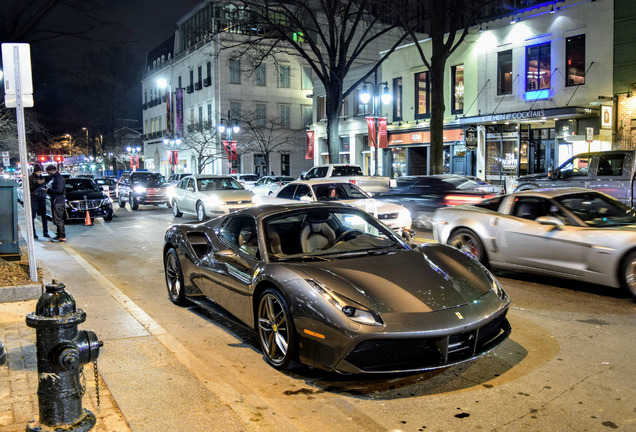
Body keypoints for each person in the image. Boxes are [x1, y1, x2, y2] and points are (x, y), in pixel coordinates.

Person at [28, 163, 50, 239]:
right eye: (37, 172)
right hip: (34, 199)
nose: (39, 173)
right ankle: (33, 233)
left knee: (44, 216)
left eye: (40, 172)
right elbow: (30, 188)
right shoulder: (30, 178)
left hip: (42, 198)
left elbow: (45, 187)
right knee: (33, 217)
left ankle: (46, 232)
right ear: (34, 172)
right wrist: (37, 184)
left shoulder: (42, 178)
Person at [46, 164, 66, 242]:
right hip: (56, 200)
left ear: (52, 171)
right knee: (57, 218)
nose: (48, 174)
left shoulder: (58, 178)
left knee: (58, 218)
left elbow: (59, 190)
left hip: (58, 201)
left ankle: (61, 236)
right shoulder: (56, 178)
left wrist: (49, 190)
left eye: (48, 172)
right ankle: (59, 234)